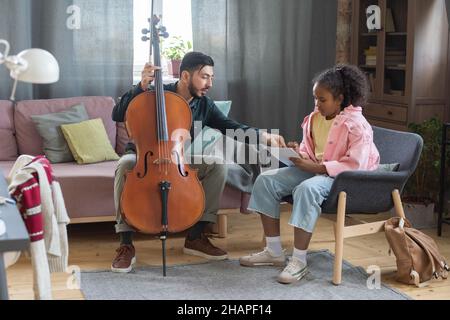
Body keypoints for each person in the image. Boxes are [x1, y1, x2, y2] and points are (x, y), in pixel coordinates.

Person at [111, 51, 286, 273]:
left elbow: (232, 127)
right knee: (125, 165)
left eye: (211, 77)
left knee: (217, 165)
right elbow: (118, 114)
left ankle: (196, 236)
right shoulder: (156, 93)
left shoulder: (205, 105)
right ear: (185, 76)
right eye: (205, 77)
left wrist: (262, 136)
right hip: (141, 156)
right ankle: (125, 244)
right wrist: (140, 87)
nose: (210, 83)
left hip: (176, 159)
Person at [239, 64, 380, 284]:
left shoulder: (357, 125)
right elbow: (311, 151)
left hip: (345, 180)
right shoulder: (314, 118)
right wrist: (298, 152)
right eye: (315, 98)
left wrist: (318, 168)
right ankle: (274, 252)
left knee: (307, 189)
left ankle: (299, 262)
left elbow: (356, 165)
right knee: (266, 180)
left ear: (340, 98)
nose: (317, 104)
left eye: (322, 99)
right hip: (316, 169)